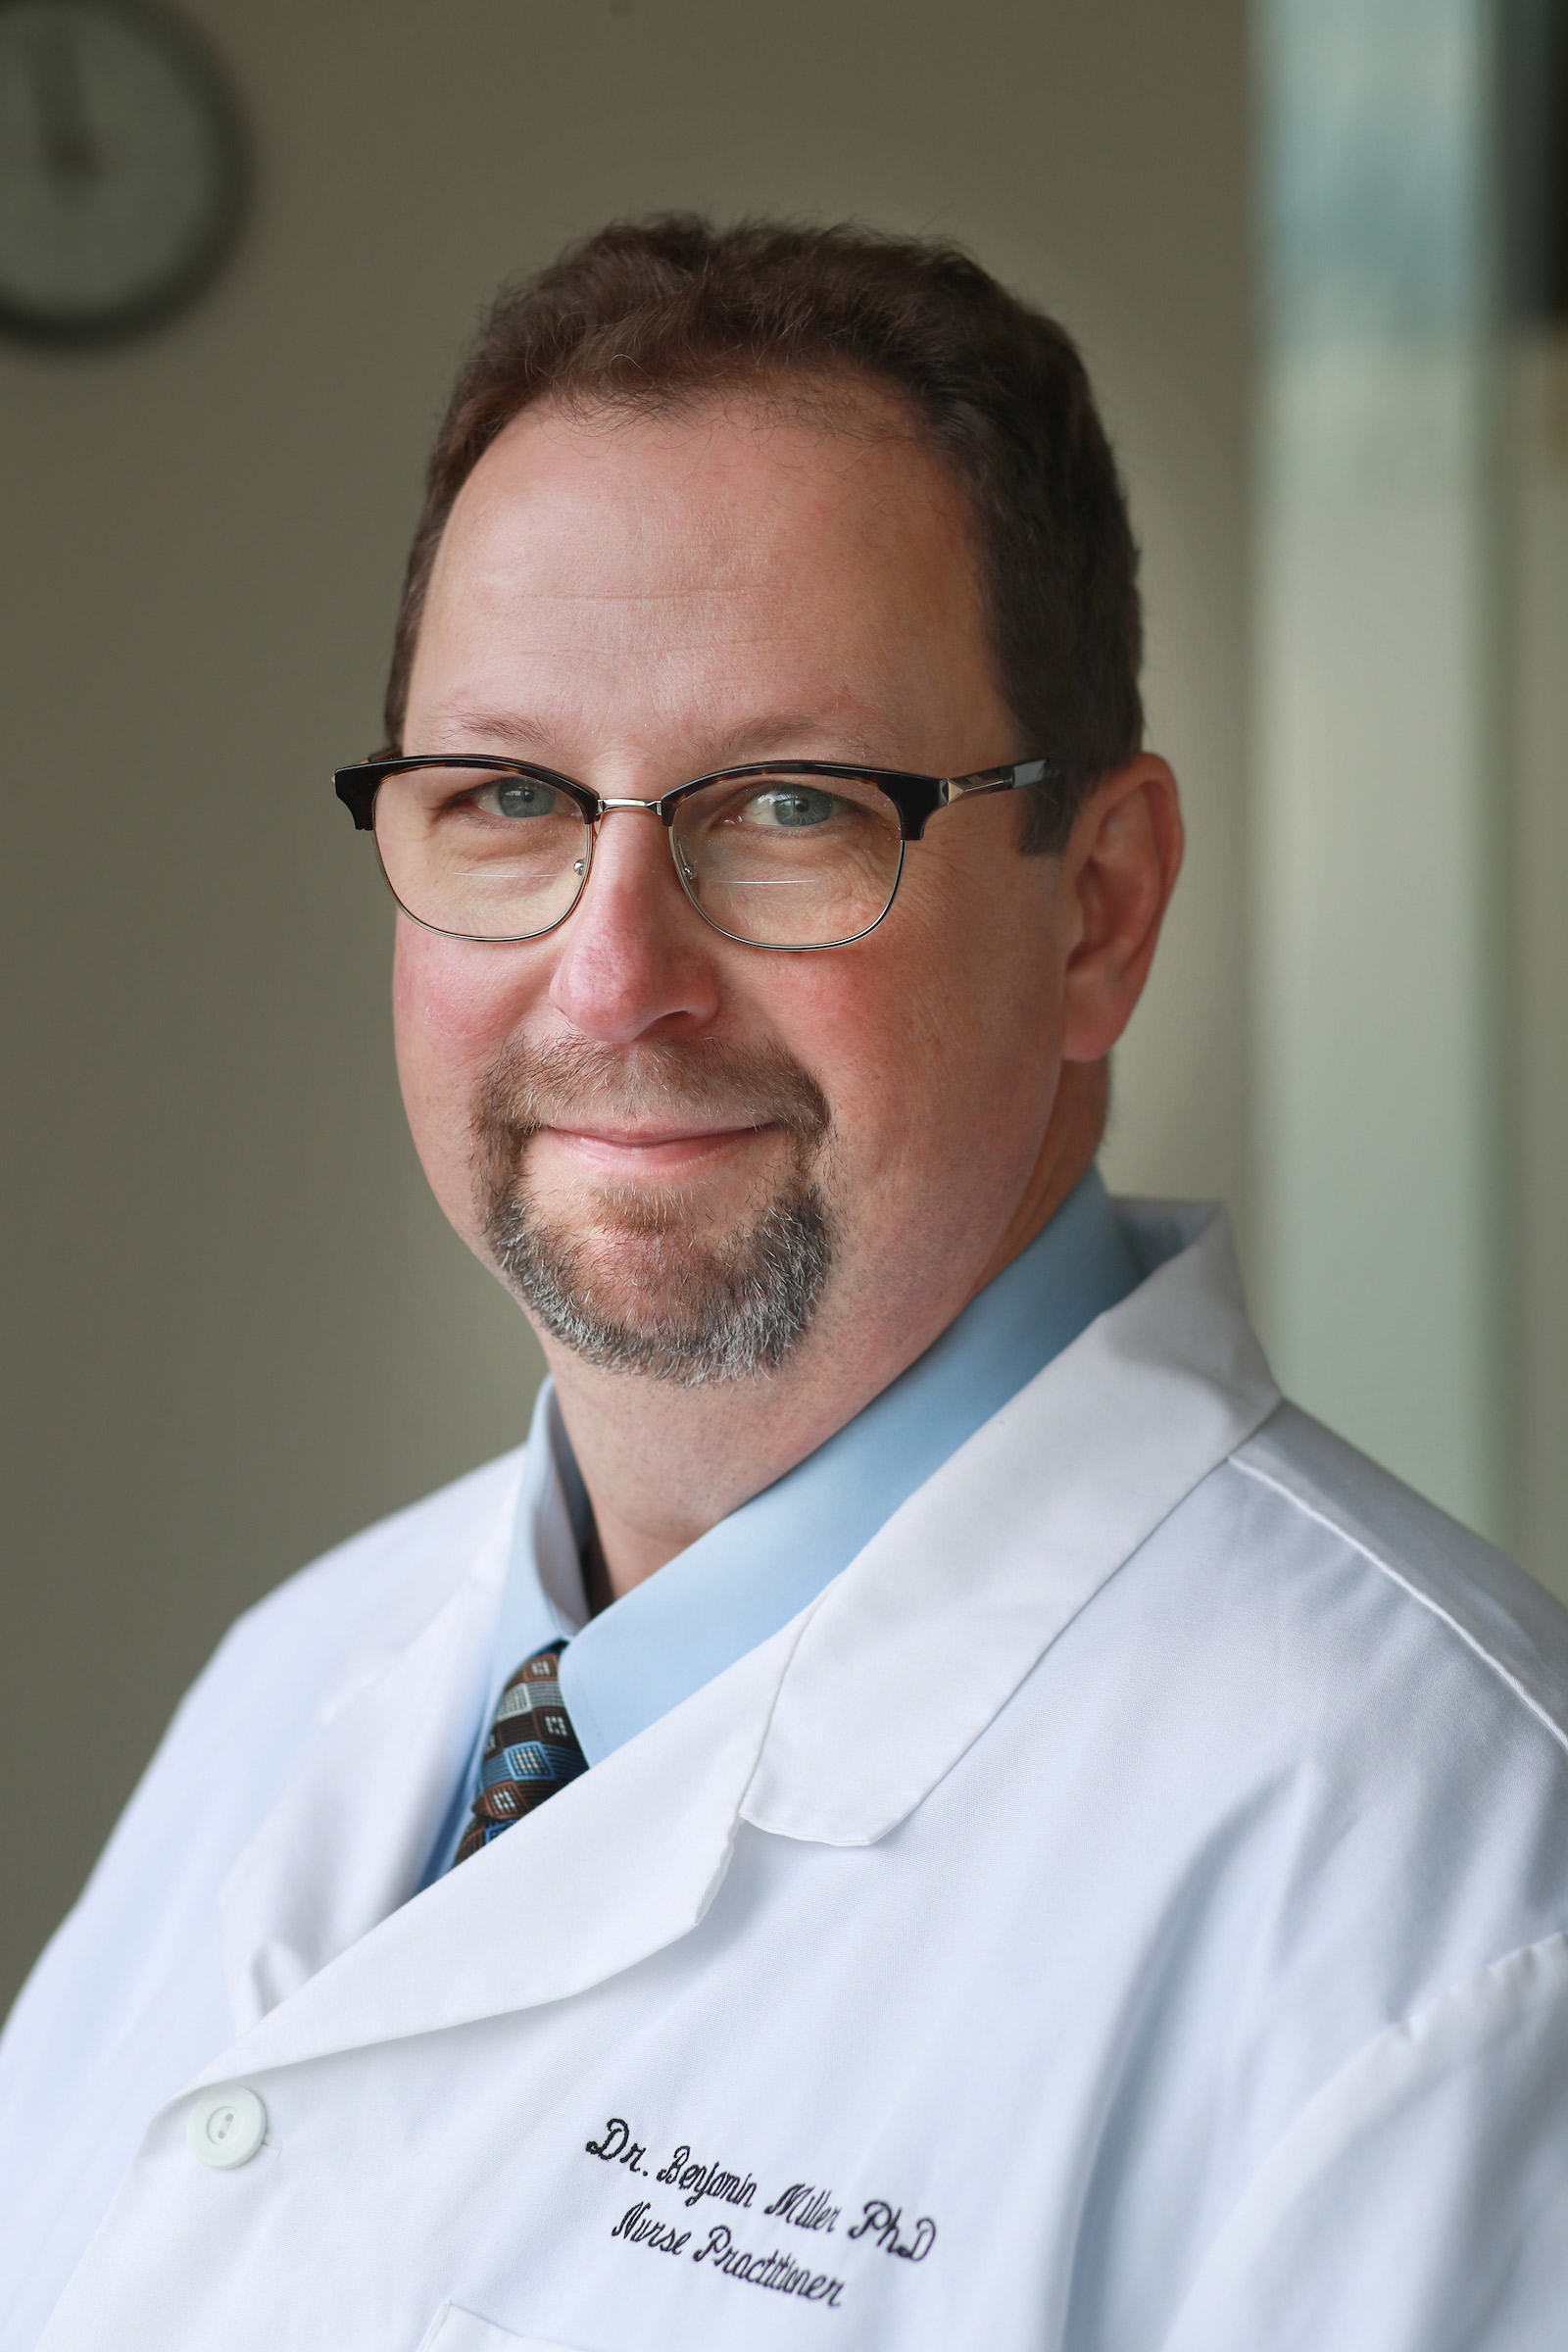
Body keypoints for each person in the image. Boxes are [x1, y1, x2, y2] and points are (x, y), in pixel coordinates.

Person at [2, 217, 1565, 2352]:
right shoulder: (303, 1686)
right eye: (506, 800)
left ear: (1096, 910)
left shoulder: (1449, 1892)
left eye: (790, 810)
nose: (614, 978)